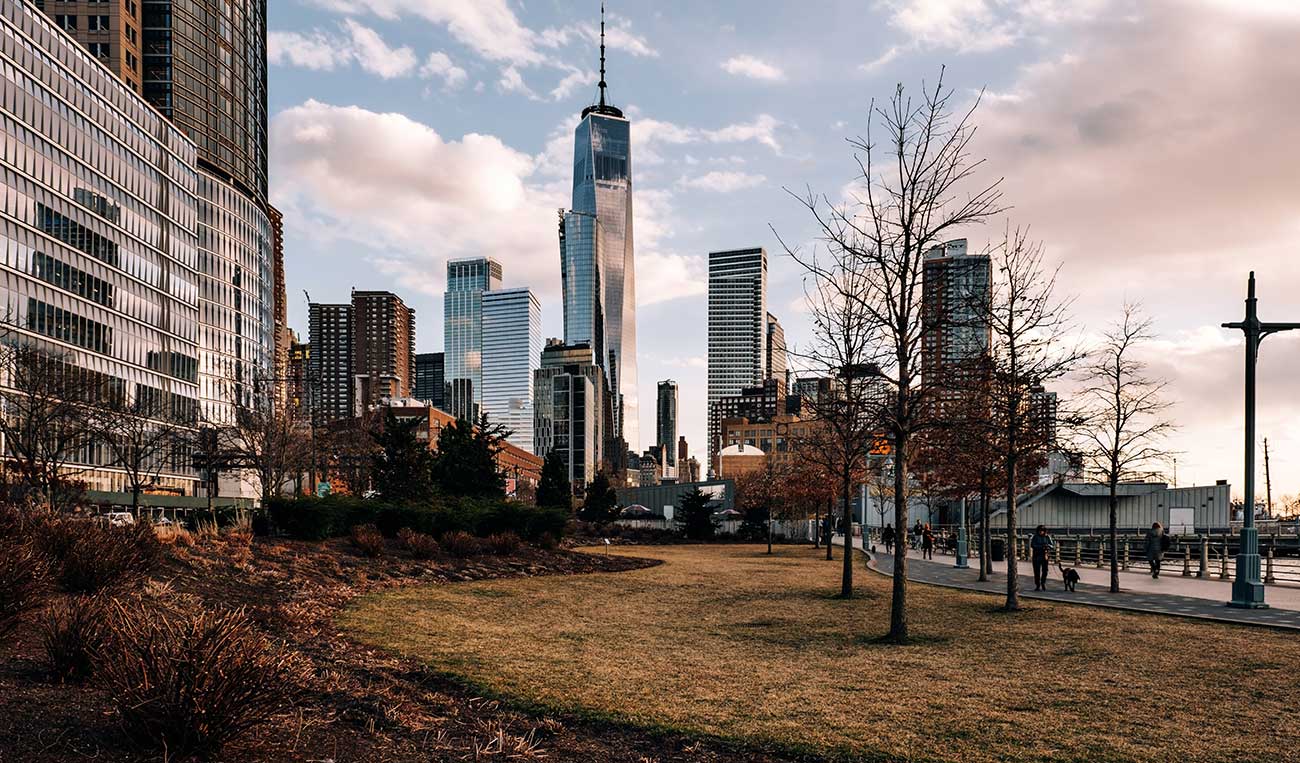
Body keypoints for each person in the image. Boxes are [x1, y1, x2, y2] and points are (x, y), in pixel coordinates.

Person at [1030, 524, 1055, 591]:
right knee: (1037, 572)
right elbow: (1032, 545)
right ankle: (1037, 584)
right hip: (1036, 556)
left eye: (1042, 531)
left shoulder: (1047, 537)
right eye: (1040, 531)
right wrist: (1041, 547)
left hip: (1045, 556)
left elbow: (1052, 546)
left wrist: (1048, 546)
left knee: (1045, 571)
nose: (1041, 532)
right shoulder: (1035, 537)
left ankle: (1043, 582)